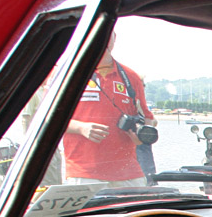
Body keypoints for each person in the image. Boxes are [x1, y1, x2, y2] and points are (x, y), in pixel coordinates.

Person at [63, 32, 157, 186]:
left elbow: (149, 118)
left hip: (128, 173)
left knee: (142, 210)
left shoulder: (131, 77)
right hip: (83, 172)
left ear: (114, 38)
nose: (103, 41)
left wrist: (142, 134)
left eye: (107, 35)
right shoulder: (69, 74)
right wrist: (80, 127)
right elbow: (47, 120)